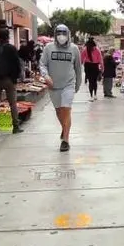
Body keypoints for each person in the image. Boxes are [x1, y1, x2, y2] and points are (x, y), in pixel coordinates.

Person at [40, 24, 83, 152]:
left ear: (68, 34)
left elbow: (78, 69)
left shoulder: (74, 49)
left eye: (64, 33)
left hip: (68, 85)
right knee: (59, 112)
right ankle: (64, 128)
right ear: (55, 34)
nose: (61, 36)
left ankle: (65, 140)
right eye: (59, 33)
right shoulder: (48, 48)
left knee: (66, 109)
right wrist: (46, 76)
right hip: (54, 86)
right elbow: (42, 64)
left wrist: (77, 84)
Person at [0, 28, 24, 135]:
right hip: (8, 80)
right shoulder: (11, 48)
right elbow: (17, 65)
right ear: (7, 37)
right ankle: (16, 127)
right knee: (13, 103)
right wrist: (14, 78)